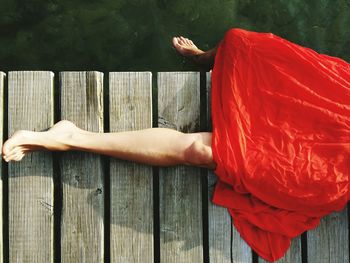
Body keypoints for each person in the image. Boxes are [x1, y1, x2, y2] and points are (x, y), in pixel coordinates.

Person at [2, 28, 349, 262]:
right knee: (241, 42)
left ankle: (72, 137)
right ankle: (204, 59)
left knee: (206, 152)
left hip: (335, 168)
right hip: (341, 110)